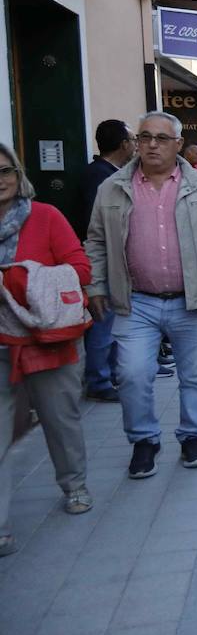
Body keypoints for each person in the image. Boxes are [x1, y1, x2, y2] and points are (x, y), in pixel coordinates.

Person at [86, 111, 197, 479]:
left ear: (178, 144)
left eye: (161, 138)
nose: (151, 145)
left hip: (191, 299)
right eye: (144, 137)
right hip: (136, 300)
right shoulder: (112, 187)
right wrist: (95, 286)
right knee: (132, 373)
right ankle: (144, 440)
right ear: (135, 143)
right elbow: (96, 241)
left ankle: (193, 435)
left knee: (195, 376)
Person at [0, 144, 95, 557]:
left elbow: (81, 268)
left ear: (18, 173)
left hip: (47, 338)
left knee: (61, 420)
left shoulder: (46, 216)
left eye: (4, 170)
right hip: (1, 343)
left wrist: (26, 279)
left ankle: (74, 485)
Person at [79, 120, 135, 402]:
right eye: (134, 140)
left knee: (114, 321)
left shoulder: (110, 173)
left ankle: (111, 374)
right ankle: (99, 380)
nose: (137, 145)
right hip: (107, 262)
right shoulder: (100, 177)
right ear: (123, 144)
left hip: (117, 262)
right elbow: (97, 227)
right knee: (104, 321)